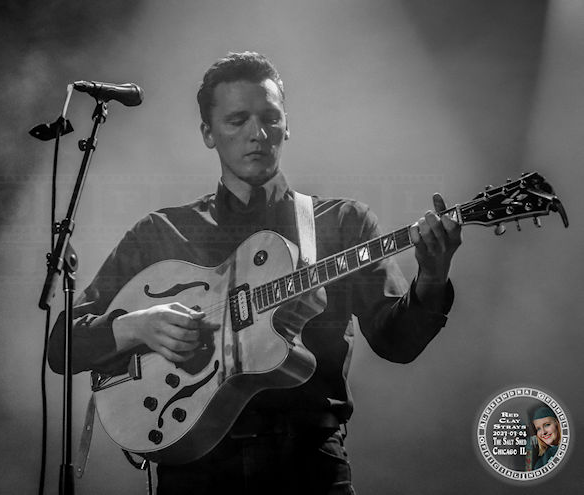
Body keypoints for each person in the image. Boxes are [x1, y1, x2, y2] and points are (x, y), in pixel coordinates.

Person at [48, 51, 461, 494]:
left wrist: (432, 277)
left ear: (287, 125)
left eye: (270, 118)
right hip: (194, 472)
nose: (257, 134)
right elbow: (61, 347)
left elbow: (397, 343)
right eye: (237, 120)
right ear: (208, 133)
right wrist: (137, 326)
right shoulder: (161, 232)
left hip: (309, 467)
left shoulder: (342, 224)